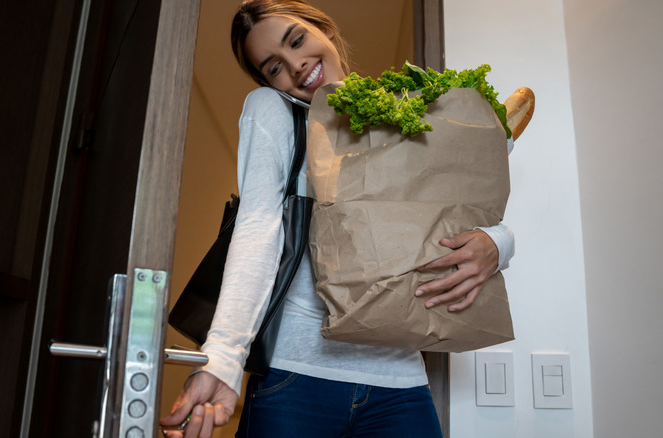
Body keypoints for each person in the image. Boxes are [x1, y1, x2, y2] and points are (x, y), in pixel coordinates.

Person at [160, 1, 515, 436]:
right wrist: (223, 358)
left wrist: (498, 243)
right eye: (273, 67)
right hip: (296, 379)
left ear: (323, 29)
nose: (296, 65)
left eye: (297, 40)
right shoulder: (275, 112)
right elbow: (258, 229)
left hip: (400, 383)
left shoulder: (401, 116)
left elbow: (457, 209)